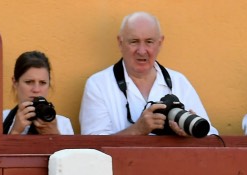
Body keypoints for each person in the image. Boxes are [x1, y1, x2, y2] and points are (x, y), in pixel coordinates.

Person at [79, 12, 217, 136]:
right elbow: (94, 148)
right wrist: (137, 131)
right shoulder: (98, 84)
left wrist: (190, 136)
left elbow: (210, 135)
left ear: (160, 43)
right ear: (120, 43)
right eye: (134, 41)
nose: (142, 50)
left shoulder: (178, 81)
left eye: (149, 42)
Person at [0, 51, 74, 154]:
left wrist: (54, 135)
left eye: (42, 83)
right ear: (15, 82)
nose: (36, 89)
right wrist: (15, 132)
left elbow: (68, 167)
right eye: (29, 82)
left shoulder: (63, 123)